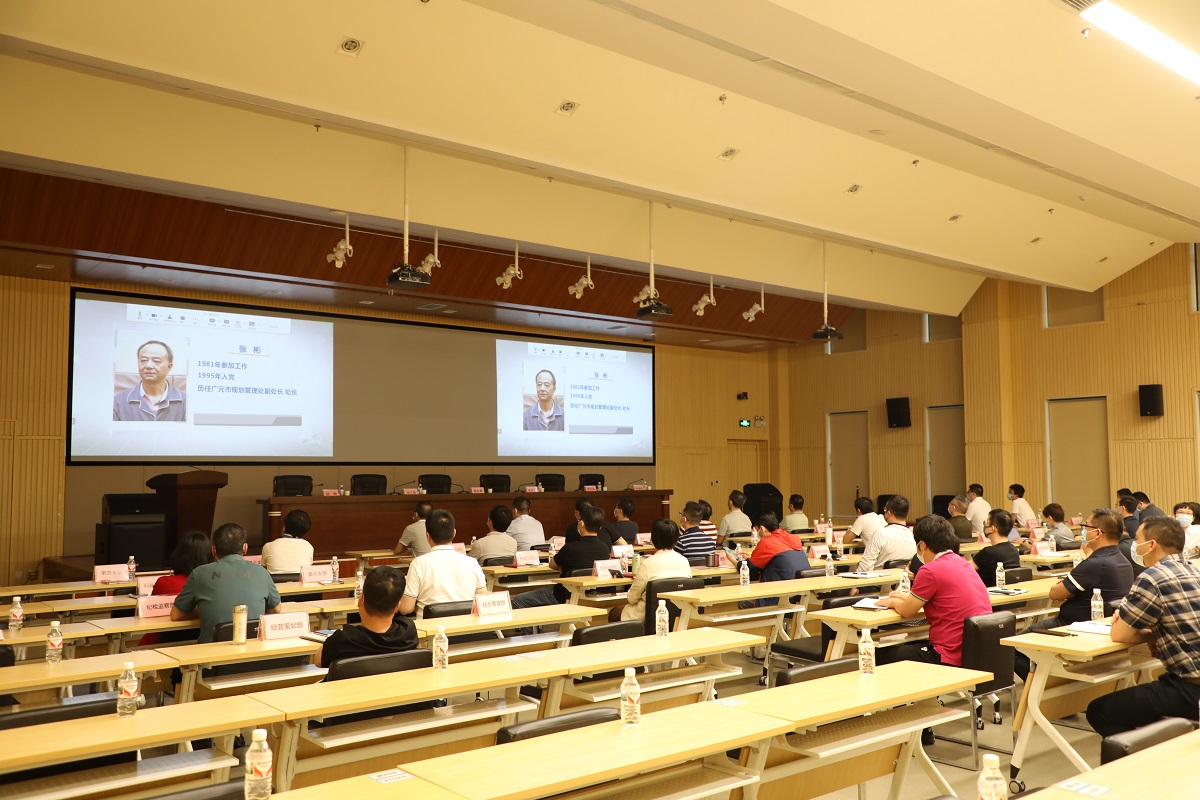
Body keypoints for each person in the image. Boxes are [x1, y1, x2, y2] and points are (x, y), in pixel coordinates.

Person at [1085, 515, 1200, 736]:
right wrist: (1153, 632)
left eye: (1137, 539)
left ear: (1151, 545)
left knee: (1100, 711)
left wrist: (1143, 630)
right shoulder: (1195, 570)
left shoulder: (1153, 577)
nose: (1134, 545)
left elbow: (1119, 634)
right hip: (1190, 681)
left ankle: (1144, 756)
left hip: (1191, 687)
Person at [1015, 509, 1135, 680]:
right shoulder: (1122, 560)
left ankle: (1042, 686)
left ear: (1098, 533)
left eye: (1086, 526)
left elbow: (1055, 594)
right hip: (1101, 625)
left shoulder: (1094, 563)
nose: (1083, 530)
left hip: (1069, 626)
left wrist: (1066, 588)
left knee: (1013, 646)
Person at [876, 514, 992, 668]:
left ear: (922, 545)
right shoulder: (962, 562)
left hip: (950, 654)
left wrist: (891, 601)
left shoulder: (930, 570)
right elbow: (940, 598)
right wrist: (905, 598)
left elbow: (906, 611)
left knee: (880, 655)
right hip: (977, 650)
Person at [171, 523, 281, 642]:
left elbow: (176, 615)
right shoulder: (261, 572)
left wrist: (203, 609)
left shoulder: (199, 574)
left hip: (211, 651)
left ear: (213, 549)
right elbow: (276, 609)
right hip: (253, 649)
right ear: (245, 548)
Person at [317, 566, 419, 667]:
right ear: (397, 606)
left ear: (361, 599)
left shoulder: (343, 639)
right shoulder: (407, 631)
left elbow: (318, 660)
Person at [513, 506, 611, 609]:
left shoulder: (570, 547)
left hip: (562, 595)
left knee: (518, 600)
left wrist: (562, 567)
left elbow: (552, 564)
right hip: (590, 596)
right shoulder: (605, 549)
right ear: (600, 527)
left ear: (581, 524)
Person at [398, 509, 486, 618]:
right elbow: (483, 601)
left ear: (427, 536)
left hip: (429, 627)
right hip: (466, 626)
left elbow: (406, 608)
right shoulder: (472, 563)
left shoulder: (418, 564)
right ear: (454, 533)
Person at [137, 531, 212, 646]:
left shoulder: (164, 582)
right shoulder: (211, 584)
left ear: (178, 556)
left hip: (160, 645)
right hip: (197, 645)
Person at [621, 519, 692, 622]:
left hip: (647, 615)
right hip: (679, 615)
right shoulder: (684, 561)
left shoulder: (647, 564)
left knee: (615, 612)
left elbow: (631, 598)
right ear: (676, 538)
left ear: (653, 539)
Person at [113, 340, 186, 421]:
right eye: (143, 360)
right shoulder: (119, 401)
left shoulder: (185, 402)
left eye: (156, 361)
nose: (148, 366)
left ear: (169, 367)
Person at [857, 495, 916, 573]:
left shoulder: (880, 534)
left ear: (888, 513)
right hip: (904, 579)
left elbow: (864, 568)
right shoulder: (913, 535)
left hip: (879, 579)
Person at [747, 511, 811, 579]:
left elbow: (750, 567)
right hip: (803, 581)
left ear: (762, 529)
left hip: (782, 583)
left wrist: (739, 560)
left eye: (756, 529)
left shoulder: (767, 542)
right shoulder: (794, 538)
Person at [974, 509, 1021, 587]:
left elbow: (963, 569)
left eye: (986, 523)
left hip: (987, 592)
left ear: (992, 529)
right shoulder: (1014, 550)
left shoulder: (988, 553)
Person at [261, 509, 315, 574]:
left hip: (274, 581)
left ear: (284, 526)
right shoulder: (308, 547)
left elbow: (263, 570)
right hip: (299, 580)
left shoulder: (268, 546)